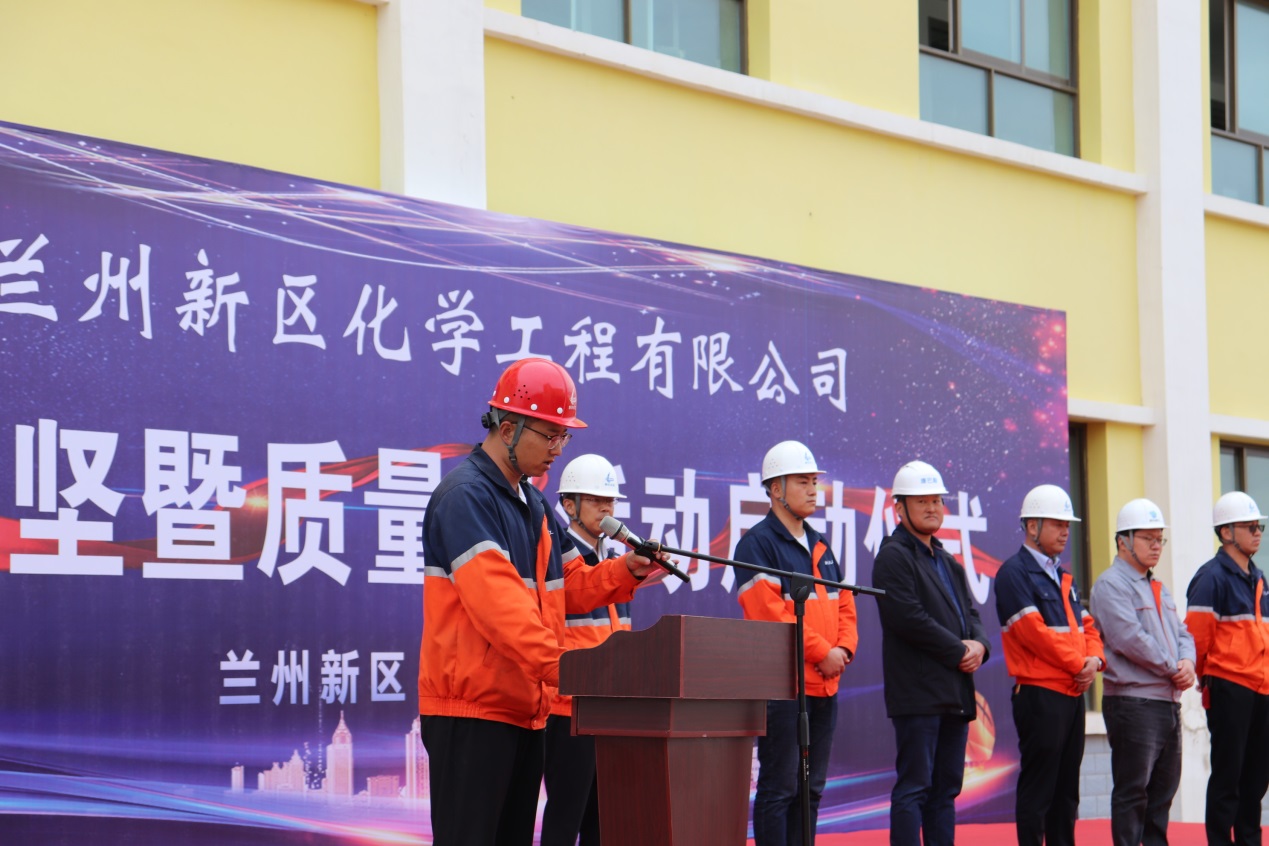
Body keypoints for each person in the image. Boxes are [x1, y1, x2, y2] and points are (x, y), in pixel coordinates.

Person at [418, 358, 663, 846]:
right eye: (550, 435)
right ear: (508, 429)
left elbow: (569, 584)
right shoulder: (466, 498)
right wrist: (572, 670)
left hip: (524, 710)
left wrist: (626, 571)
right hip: (471, 713)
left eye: (563, 437)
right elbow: (502, 611)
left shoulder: (533, 505)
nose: (558, 449)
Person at [734, 440, 859, 846]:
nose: (812, 490)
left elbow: (846, 605)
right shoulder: (756, 544)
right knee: (780, 789)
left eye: (814, 482)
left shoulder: (821, 544)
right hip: (784, 690)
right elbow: (769, 615)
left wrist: (843, 651)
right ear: (775, 489)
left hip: (824, 686)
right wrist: (823, 652)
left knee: (811, 790)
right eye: (802, 482)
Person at [871, 460, 989, 846]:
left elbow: (970, 614)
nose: (932, 507)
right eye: (921, 501)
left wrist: (980, 646)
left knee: (945, 791)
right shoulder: (893, 556)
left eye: (936, 500)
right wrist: (958, 650)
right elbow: (908, 618)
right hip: (918, 695)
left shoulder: (946, 560)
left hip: (954, 693)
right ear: (898, 507)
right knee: (915, 788)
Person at [994, 483, 1104, 846]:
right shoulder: (1013, 573)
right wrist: (1080, 664)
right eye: (1058, 524)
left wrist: (1095, 660)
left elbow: (1088, 626)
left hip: (1071, 694)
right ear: (1032, 526)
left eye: (1067, 525)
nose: (1065, 532)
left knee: (1066, 793)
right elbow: (1033, 634)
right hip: (1040, 695)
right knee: (1039, 790)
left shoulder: (1063, 577)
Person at [1088, 498, 1196, 846]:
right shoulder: (1110, 585)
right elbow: (1129, 638)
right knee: (1133, 792)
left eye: (1160, 538)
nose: (1156, 546)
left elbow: (1183, 633)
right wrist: (1173, 668)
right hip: (1133, 703)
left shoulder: (1157, 587)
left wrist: (1188, 663)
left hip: (1167, 702)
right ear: (1123, 541)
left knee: (1162, 793)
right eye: (1148, 538)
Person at [540, 453, 632, 846]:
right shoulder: (558, 559)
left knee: (604, 820)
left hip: (611, 709)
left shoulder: (617, 562)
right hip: (569, 710)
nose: (606, 508)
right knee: (566, 816)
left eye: (610, 501)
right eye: (595, 500)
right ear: (569, 505)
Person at [1185, 491, 1269, 846]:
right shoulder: (1211, 577)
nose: (1258, 533)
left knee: (1256, 779)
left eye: (1259, 526)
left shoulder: (1258, 577)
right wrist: (1209, 678)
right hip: (1229, 687)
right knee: (1227, 777)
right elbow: (1196, 639)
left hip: (1262, 688)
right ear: (1226, 532)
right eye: (1250, 527)